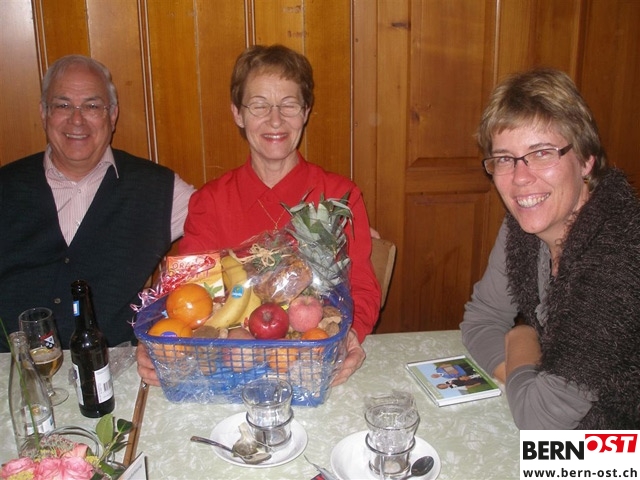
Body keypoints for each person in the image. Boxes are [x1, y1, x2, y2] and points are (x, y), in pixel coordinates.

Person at [136, 44, 381, 387]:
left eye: (288, 104)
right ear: (238, 114)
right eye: (259, 105)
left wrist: (352, 333)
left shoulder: (339, 196)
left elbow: (363, 287)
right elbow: (188, 296)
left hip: (313, 364)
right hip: (229, 370)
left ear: (306, 112)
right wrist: (163, 338)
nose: (275, 120)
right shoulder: (210, 201)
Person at [460, 67, 640, 429]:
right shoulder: (526, 225)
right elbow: (482, 320)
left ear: (586, 159)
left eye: (542, 153)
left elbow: (538, 422)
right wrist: (522, 381)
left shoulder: (619, 256)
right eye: (505, 158)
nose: (520, 178)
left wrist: (521, 336)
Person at [0, 55, 195, 352]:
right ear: (44, 113)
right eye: (63, 105)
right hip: (12, 370)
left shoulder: (159, 188)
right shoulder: (5, 187)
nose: (77, 120)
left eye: (92, 106)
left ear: (112, 115)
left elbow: (227, 215)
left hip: (116, 367)